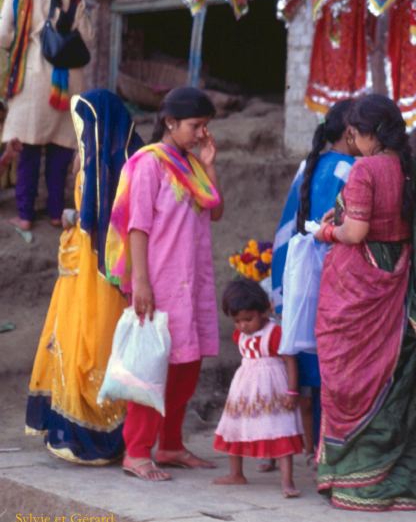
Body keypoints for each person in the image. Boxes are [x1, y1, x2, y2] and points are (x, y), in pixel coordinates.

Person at [313, 94, 416, 510]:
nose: (351, 140)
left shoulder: (365, 170)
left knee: (349, 378)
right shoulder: (414, 168)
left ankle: (357, 484)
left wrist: (326, 232)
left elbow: (355, 233)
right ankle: (398, 486)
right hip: (400, 279)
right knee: (394, 381)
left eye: (355, 133)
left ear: (365, 132)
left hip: (359, 285)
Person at [106, 86, 223, 481]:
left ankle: (170, 445)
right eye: (196, 126)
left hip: (194, 279)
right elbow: (137, 226)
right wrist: (141, 281)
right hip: (160, 278)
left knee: (187, 364)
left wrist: (209, 163)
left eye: (205, 126)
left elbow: (216, 209)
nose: (201, 133)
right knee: (152, 365)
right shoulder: (148, 164)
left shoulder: (191, 163)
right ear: (170, 122)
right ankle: (136, 452)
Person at [25, 89, 141, 463]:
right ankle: (70, 432)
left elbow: (112, 219)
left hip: (104, 272)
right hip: (78, 273)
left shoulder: (125, 168)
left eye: (82, 126)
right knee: (74, 341)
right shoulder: (92, 161)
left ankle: (99, 435)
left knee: (96, 344)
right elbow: (88, 209)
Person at [269, 99, 356, 459]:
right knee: (330, 366)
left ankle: (301, 448)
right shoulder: (351, 169)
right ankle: (326, 450)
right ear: (353, 133)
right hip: (326, 275)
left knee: (305, 365)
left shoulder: (310, 163)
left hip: (294, 271)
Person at [0, 0, 93, 233]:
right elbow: (87, 37)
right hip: (70, 83)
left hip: (33, 81)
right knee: (61, 149)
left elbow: (3, 36)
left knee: (28, 148)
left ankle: (26, 215)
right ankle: (55, 213)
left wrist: (26, 38)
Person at [212, 279, 304, 498]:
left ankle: (287, 481)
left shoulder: (275, 333)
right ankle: (236, 474)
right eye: (237, 321)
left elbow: (290, 361)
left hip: (273, 388)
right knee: (235, 427)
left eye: (248, 319)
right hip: (245, 388)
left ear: (264, 311)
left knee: (279, 427)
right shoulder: (240, 335)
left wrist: (292, 391)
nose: (243, 325)